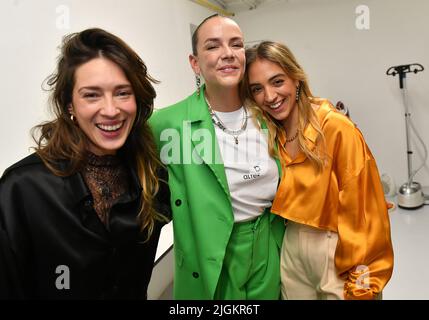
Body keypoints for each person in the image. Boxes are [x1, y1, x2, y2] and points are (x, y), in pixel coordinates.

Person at [0, 28, 171, 299]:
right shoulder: (23, 188)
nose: (111, 110)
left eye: (122, 93)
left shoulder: (152, 175)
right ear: (70, 105)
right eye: (92, 95)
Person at [241, 41, 394, 300]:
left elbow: (365, 212)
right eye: (258, 89)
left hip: (337, 247)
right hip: (291, 248)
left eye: (277, 82)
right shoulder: (269, 134)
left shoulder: (335, 128)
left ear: (296, 79)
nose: (269, 96)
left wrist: (363, 282)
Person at [150, 15, 285, 299]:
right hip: (209, 251)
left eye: (235, 45)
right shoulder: (169, 123)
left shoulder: (268, 115)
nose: (227, 54)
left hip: (267, 247)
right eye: (213, 46)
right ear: (195, 63)